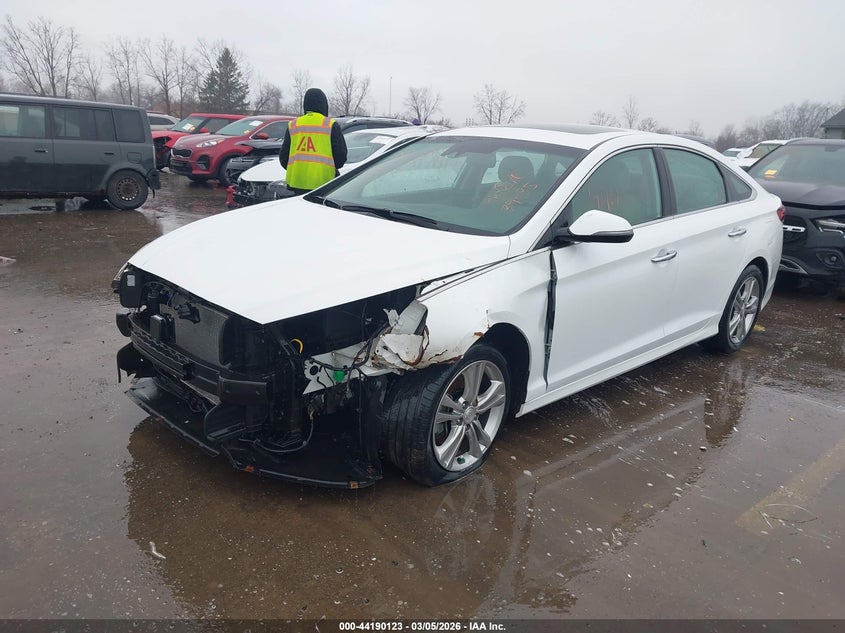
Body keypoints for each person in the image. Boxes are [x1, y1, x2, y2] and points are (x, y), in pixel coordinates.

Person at [278, 88, 347, 194]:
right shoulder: (330, 125)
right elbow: (341, 157)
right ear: (324, 105)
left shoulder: (293, 125)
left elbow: (283, 157)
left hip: (296, 185)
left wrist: (298, 170)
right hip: (324, 185)